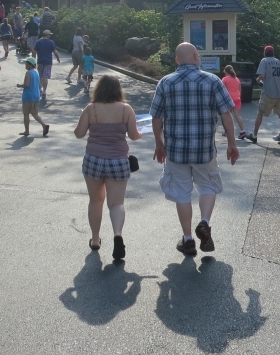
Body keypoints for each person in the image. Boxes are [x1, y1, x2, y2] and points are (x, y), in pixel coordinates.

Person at [151, 43, 240, 256]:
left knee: (182, 193)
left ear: (176, 60)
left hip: (176, 151)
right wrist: (232, 143)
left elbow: (156, 117)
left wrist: (159, 144)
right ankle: (205, 222)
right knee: (208, 186)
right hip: (204, 150)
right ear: (196, 57)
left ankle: (188, 239)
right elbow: (226, 114)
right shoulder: (212, 81)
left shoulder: (166, 82)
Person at [73, 75, 142, 258]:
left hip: (93, 159)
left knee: (96, 201)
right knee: (116, 203)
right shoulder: (126, 109)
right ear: (118, 90)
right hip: (118, 161)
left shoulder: (91, 109)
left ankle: (95, 239)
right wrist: (140, 133)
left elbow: (79, 134)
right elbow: (134, 135)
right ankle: (117, 235)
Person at [251, 45, 280, 144]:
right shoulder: (279, 62)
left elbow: (262, 75)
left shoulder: (264, 61)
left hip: (268, 93)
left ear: (265, 52)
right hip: (279, 93)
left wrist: (258, 80)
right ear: (273, 52)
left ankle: (254, 135)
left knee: (260, 113)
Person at [17, 57, 49, 137]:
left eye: (26, 63)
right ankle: (44, 125)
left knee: (26, 114)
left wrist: (20, 85)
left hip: (28, 96)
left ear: (30, 65)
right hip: (36, 95)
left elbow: (27, 84)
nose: (25, 65)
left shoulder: (28, 73)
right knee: (35, 113)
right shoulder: (36, 72)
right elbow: (39, 85)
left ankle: (27, 131)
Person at [221, 64, 247, 140]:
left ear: (226, 71)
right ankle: (243, 130)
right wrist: (239, 97)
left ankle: (227, 132)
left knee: (226, 116)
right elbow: (240, 90)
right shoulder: (237, 79)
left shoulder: (225, 79)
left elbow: (222, 89)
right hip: (237, 98)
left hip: (228, 99)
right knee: (238, 115)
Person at [33, 29, 60, 98]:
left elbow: (34, 52)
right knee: (45, 77)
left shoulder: (38, 42)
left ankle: (39, 89)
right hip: (48, 62)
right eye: (49, 35)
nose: (50, 36)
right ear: (47, 35)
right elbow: (55, 52)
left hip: (40, 61)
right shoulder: (51, 42)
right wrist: (58, 58)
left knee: (40, 76)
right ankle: (44, 91)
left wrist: (33, 61)